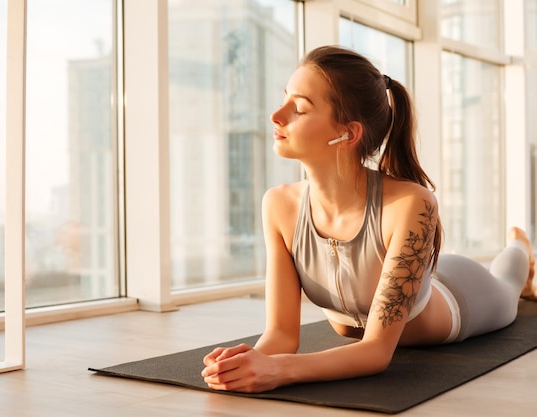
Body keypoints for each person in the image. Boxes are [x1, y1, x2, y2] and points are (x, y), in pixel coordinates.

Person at [201, 45, 537, 393]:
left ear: (348, 133)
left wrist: (280, 370)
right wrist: (244, 363)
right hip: (418, 274)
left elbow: (376, 352)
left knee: (508, 284)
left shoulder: (411, 204)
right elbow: (282, 335)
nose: (276, 115)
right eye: (285, 99)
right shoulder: (278, 205)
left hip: (462, 295)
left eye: (299, 108)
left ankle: (520, 248)